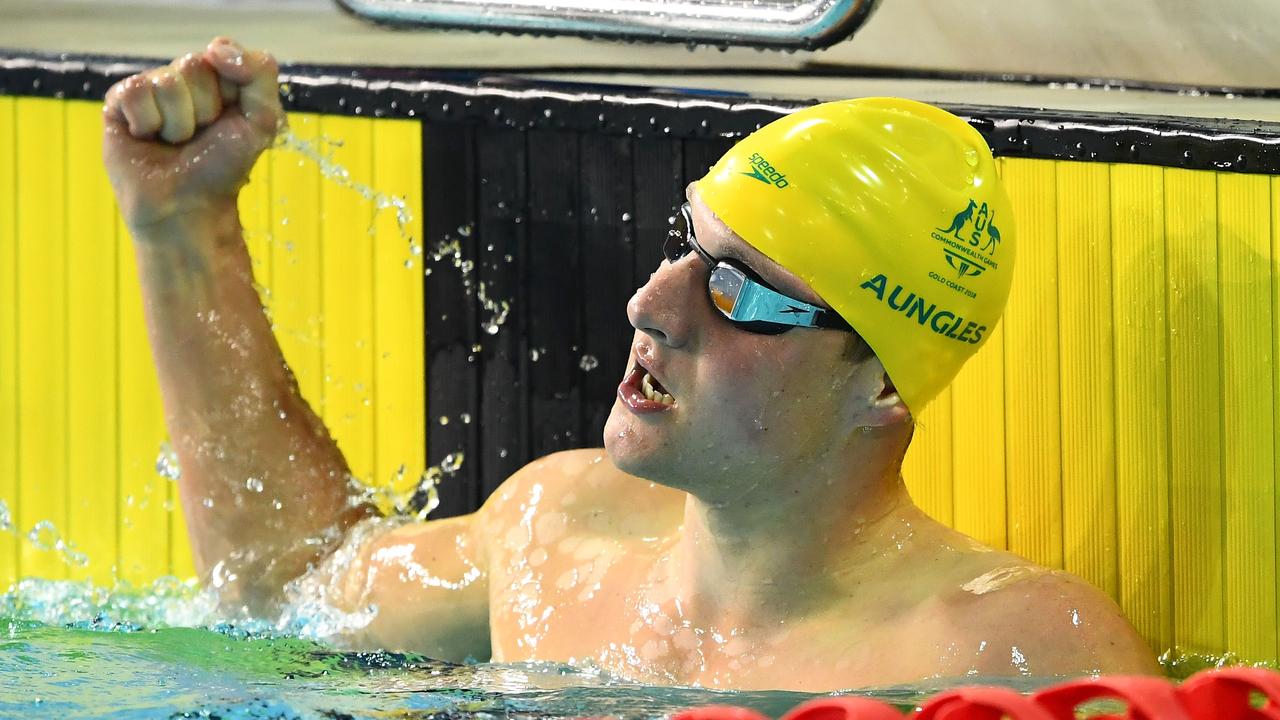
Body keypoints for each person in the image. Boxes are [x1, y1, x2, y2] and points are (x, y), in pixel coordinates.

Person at [103, 37, 1158, 691]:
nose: (652, 303)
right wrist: (183, 232)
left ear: (879, 383)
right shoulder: (554, 534)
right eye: (683, 245)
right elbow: (282, 594)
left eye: (739, 290)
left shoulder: (1010, 648)